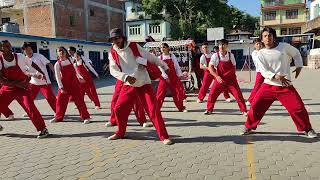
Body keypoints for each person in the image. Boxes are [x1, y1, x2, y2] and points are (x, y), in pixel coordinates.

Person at [241, 27, 317, 138]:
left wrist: (299, 66)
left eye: (270, 35)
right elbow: (263, 70)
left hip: (285, 85)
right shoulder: (260, 54)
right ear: (262, 39)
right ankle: (248, 126)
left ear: (274, 37)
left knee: (298, 108)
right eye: (265, 36)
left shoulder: (284, 47)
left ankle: (308, 129)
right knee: (256, 106)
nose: (268, 38)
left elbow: (296, 53)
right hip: (268, 85)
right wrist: (276, 76)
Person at [108, 28, 173, 145]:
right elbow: (113, 70)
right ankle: (120, 132)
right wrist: (125, 77)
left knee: (153, 110)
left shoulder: (133, 46)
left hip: (143, 82)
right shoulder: (112, 52)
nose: (115, 41)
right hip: (128, 84)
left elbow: (149, 56)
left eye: (117, 38)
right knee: (118, 109)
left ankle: (164, 136)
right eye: (113, 39)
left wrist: (163, 65)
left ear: (122, 37)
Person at [0, 40, 49, 138]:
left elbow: (31, 64)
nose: (9, 48)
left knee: (29, 107)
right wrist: (18, 84)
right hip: (9, 87)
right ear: (1, 49)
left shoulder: (19, 57)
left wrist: (38, 73)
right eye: (6, 46)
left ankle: (43, 129)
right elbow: (2, 80)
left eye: (9, 45)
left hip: (22, 87)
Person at [204, 39, 247, 115]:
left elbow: (234, 67)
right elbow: (210, 68)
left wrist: (231, 76)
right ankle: (209, 109)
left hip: (231, 80)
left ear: (227, 46)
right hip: (220, 78)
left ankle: (244, 110)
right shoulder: (215, 56)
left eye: (223, 45)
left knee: (238, 94)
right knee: (212, 93)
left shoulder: (231, 55)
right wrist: (217, 77)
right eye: (220, 45)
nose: (222, 46)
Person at [51, 47, 91, 124]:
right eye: (59, 51)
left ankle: (86, 117)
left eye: (62, 51)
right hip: (64, 85)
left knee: (80, 101)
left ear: (65, 52)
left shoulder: (71, 60)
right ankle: (58, 117)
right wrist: (61, 88)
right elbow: (57, 77)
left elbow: (76, 70)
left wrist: (80, 77)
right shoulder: (57, 64)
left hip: (74, 84)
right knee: (60, 102)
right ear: (57, 53)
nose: (61, 52)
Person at [23, 42, 57, 114]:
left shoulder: (39, 56)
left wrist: (54, 73)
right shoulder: (24, 59)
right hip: (33, 83)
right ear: (24, 51)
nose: (29, 51)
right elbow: (25, 72)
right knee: (29, 98)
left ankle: (58, 112)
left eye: (30, 49)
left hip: (44, 82)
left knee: (50, 98)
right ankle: (29, 111)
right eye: (27, 50)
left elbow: (49, 63)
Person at [157, 43, 187, 112]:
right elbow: (160, 69)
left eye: (164, 47)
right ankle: (157, 108)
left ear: (167, 48)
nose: (162, 48)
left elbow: (176, 66)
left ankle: (181, 107)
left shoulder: (172, 56)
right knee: (160, 93)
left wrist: (180, 75)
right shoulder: (159, 57)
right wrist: (165, 77)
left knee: (177, 92)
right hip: (164, 77)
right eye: (161, 47)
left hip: (173, 76)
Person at [246, 38, 264, 106]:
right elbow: (259, 60)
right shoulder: (254, 53)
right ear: (254, 45)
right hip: (260, 72)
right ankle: (250, 100)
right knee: (257, 87)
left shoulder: (264, 51)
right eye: (257, 44)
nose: (259, 45)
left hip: (267, 72)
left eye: (260, 43)